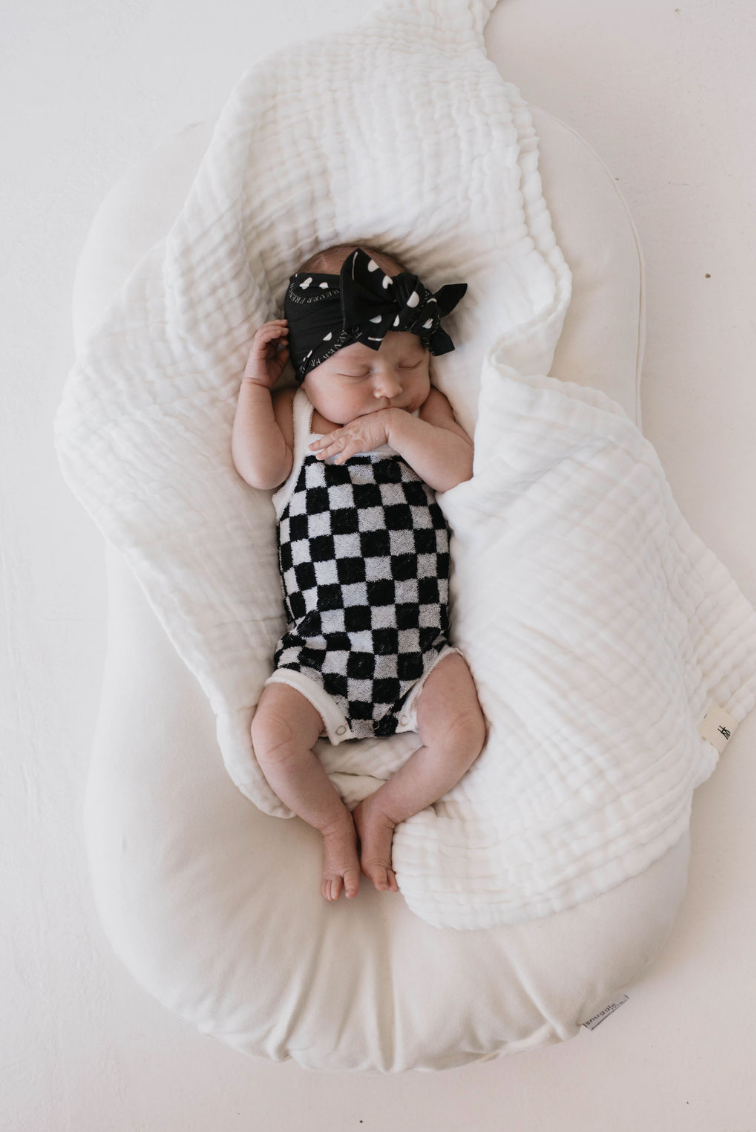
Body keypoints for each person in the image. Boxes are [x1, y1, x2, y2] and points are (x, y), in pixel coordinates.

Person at [232, 244, 487, 903]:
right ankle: (329, 823)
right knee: (272, 738)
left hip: (421, 655)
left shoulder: (418, 418)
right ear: (309, 372)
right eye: (358, 370)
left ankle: (385, 810)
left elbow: (459, 471)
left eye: (408, 362)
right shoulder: (295, 418)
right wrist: (256, 388)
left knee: (461, 732)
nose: (388, 386)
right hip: (322, 656)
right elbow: (260, 471)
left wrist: (396, 429)